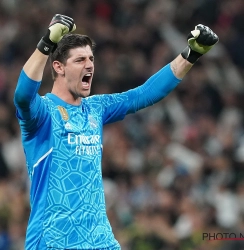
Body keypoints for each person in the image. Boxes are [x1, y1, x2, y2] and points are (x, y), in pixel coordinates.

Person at [13, 14, 218, 250]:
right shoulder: (43, 114)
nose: (89, 64)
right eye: (80, 60)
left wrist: (191, 55)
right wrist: (46, 43)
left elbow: (144, 94)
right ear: (58, 67)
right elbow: (22, 96)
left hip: (100, 240)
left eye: (91, 58)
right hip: (53, 241)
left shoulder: (96, 108)